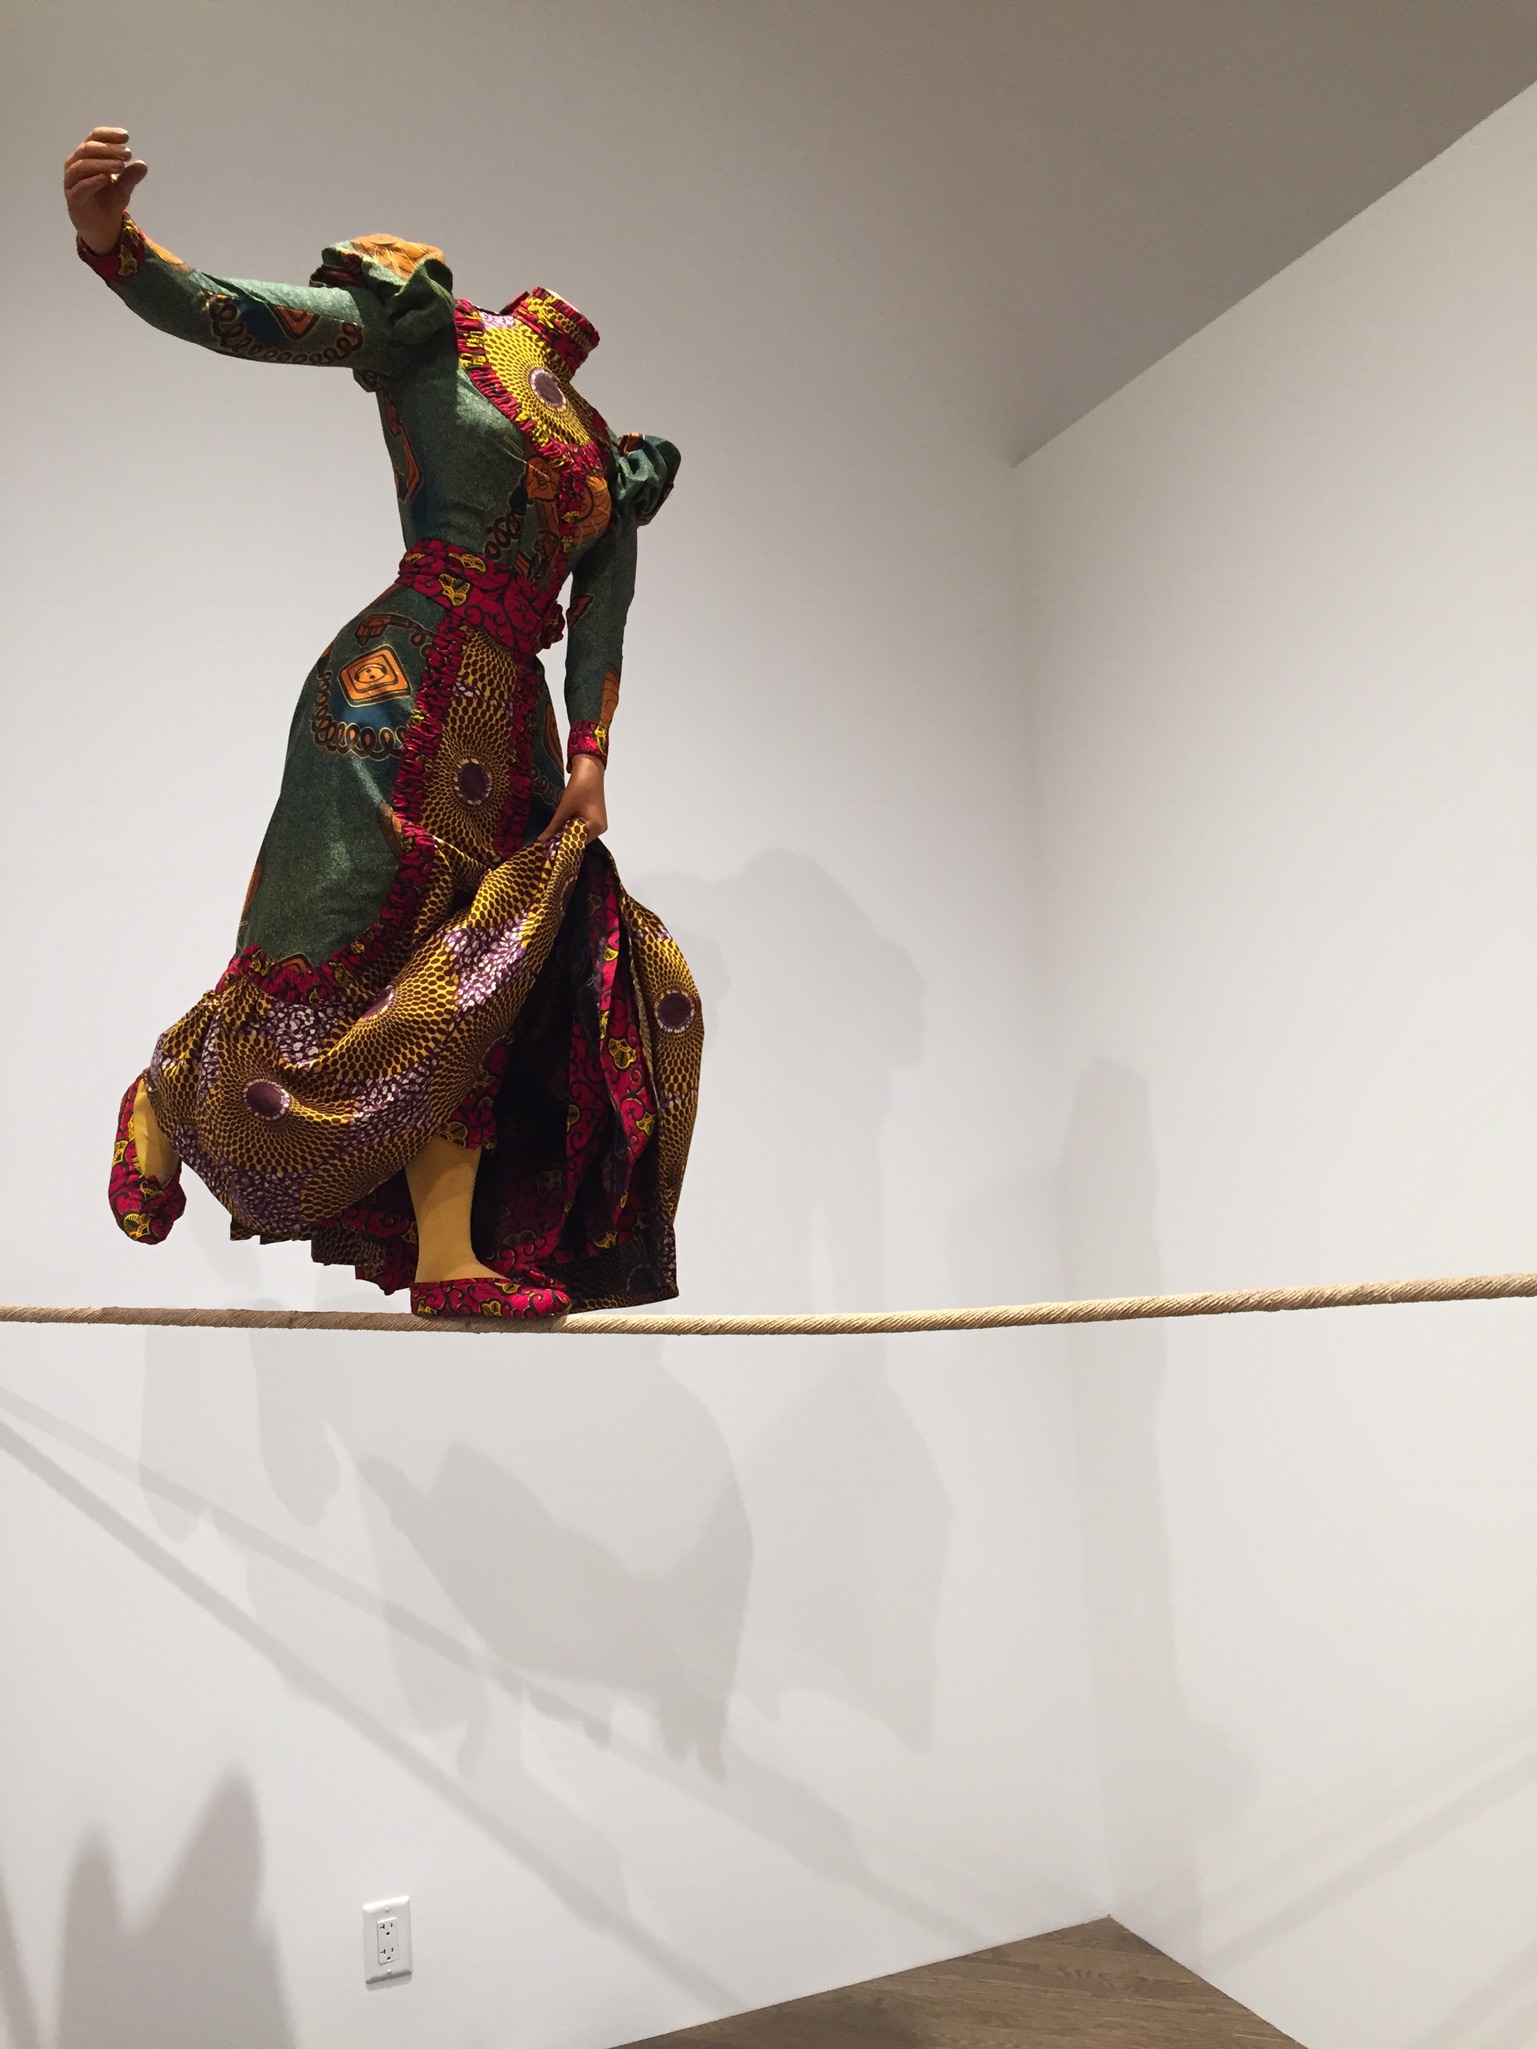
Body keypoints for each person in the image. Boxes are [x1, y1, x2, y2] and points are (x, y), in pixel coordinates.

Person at [67, 126, 702, 1321]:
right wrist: (119, 248)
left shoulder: (605, 457)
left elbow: (602, 620)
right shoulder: (437, 331)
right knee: (341, 925)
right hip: (391, 682)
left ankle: (448, 1253)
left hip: (510, 718)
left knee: (480, 970)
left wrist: (591, 757)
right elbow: (252, 319)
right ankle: (171, 1089)